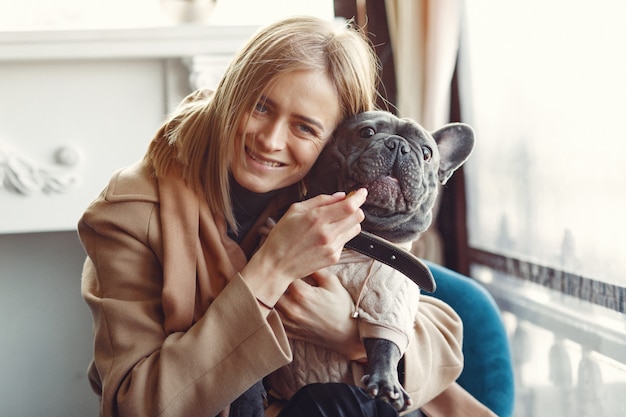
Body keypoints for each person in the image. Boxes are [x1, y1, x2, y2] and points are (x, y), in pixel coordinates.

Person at [78, 16, 468, 417]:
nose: (270, 140)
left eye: (304, 127)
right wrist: (272, 269)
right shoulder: (128, 213)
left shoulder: (328, 189)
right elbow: (135, 404)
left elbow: (440, 332)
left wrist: (348, 334)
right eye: (261, 107)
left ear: (336, 137)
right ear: (230, 93)